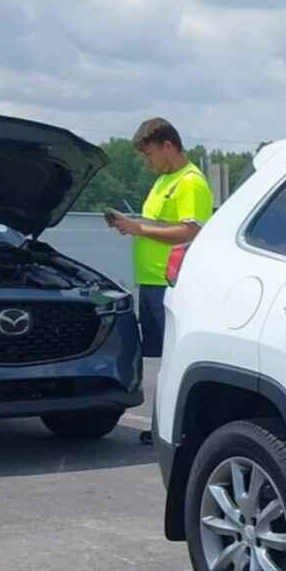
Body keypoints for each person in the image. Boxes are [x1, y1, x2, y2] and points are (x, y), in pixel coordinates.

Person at [104, 117, 213, 443]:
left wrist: (137, 228)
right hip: (151, 281)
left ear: (169, 146)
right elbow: (157, 225)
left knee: (176, 357)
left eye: (148, 155)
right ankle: (162, 426)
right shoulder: (163, 181)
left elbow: (191, 231)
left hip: (172, 283)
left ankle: (180, 429)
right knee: (161, 361)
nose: (146, 162)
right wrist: (131, 224)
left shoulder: (190, 182)